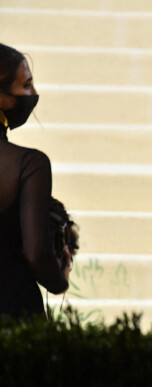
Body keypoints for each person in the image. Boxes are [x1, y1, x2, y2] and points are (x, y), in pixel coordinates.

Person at [0, 43, 71, 321]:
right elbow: (35, 253)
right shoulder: (29, 164)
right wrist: (60, 280)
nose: (34, 94)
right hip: (14, 316)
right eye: (26, 85)